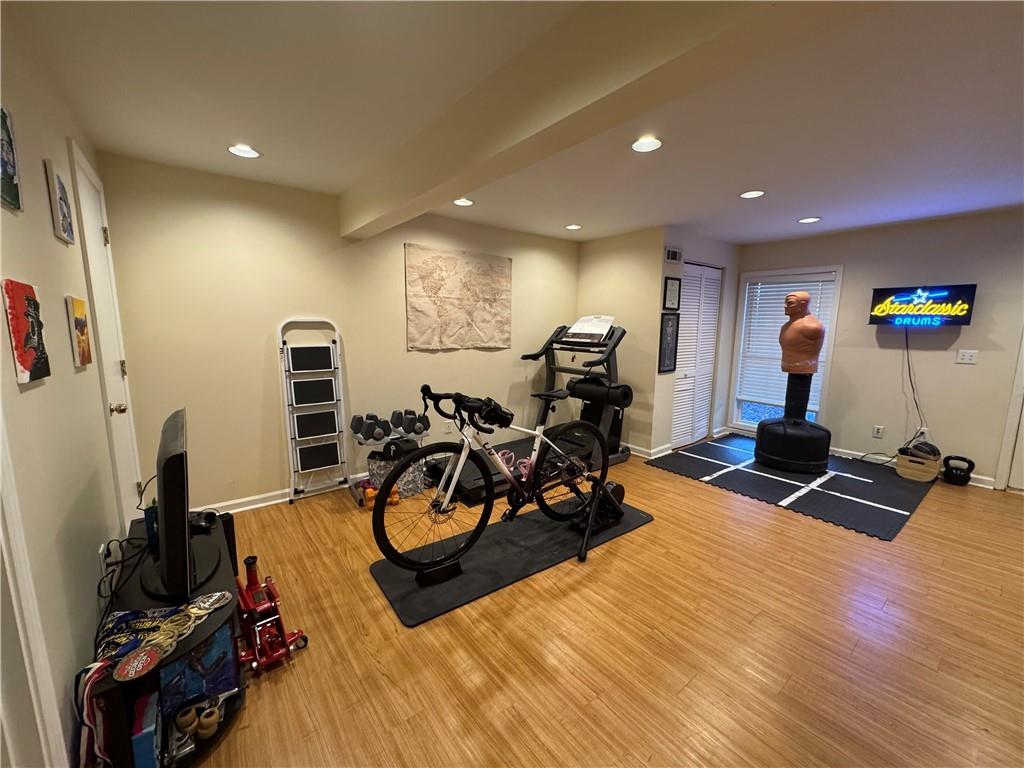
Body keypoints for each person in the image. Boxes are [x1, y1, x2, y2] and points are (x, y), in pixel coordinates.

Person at [779, 291, 824, 420]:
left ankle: (794, 422)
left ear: (803, 304)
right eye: (785, 303)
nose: (785, 306)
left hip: (804, 369)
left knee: (796, 410)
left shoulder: (812, 327)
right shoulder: (787, 326)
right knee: (790, 408)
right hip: (791, 367)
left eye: (790, 303)